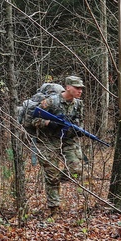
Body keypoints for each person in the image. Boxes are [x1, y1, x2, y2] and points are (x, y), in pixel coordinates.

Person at [31, 76, 85, 215]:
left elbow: (79, 121)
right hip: (49, 140)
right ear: (67, 87)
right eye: (77, 88)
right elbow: (34, 119)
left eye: (81, 88)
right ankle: (54, 208)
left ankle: (56, 179)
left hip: (68, 139)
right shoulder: (51, 102)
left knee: (76, 169)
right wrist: (49, 123)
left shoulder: (78, 104)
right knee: (52, 174)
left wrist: (77, 129)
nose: (80, 91)